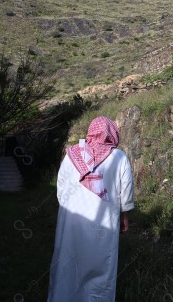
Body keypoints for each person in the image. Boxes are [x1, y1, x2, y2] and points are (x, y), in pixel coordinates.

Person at [47, 116, 134, 302]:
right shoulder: (118, 157)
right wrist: (124, 215)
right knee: (101, 265)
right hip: (104, 224)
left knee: (68, 263)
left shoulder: (71, 154)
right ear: (112, 134)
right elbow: (125, 191)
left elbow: (61, 188)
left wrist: (67, 209)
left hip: (71, 222)